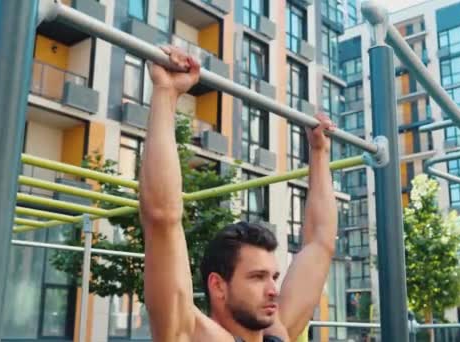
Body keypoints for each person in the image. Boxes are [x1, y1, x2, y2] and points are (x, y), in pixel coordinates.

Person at [138, 45, 339, 342]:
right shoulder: (193, 335)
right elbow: (162, 218)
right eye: (257, 277)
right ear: (218, 286)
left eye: (273, 277)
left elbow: (320, 244)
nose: (273, 290)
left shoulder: (277, 333)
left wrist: (319, 152)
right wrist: (166, 94)